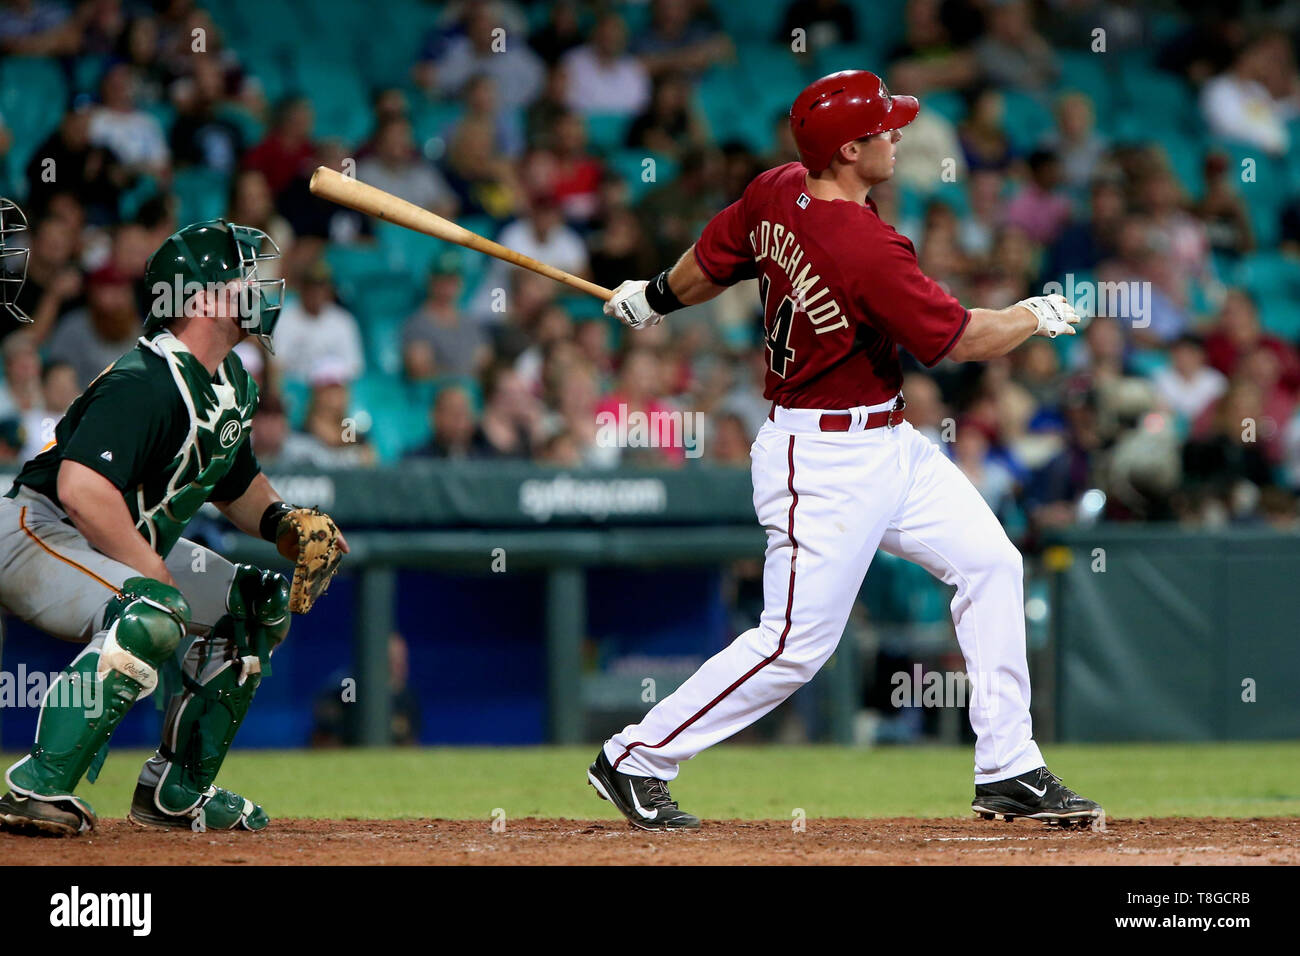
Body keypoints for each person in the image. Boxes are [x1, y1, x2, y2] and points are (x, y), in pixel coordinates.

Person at [587, 71, 1102, 830]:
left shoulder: (774, 189)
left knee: (992, 564)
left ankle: (1009, 767)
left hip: (892, 441)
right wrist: (1032, 314)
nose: (897, 135)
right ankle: (636, 757)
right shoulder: (867, 247)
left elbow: (709, 260)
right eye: (884, 128)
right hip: (819, 459)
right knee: (794, 645)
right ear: (849, 148)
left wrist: (657, 294)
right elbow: (960, 339)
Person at [0, 212, 346, 836]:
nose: (266, 290)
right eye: (248, 279)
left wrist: (286, 525)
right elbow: (81, 489)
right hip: (37, 528)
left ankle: (175, 790)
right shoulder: (145, 378)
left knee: (257, 604)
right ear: (205, 296)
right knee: (155, 608)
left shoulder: (232, 381)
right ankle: (39, 786)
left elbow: (235, 485)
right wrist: (153, 573)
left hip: (107, 541)